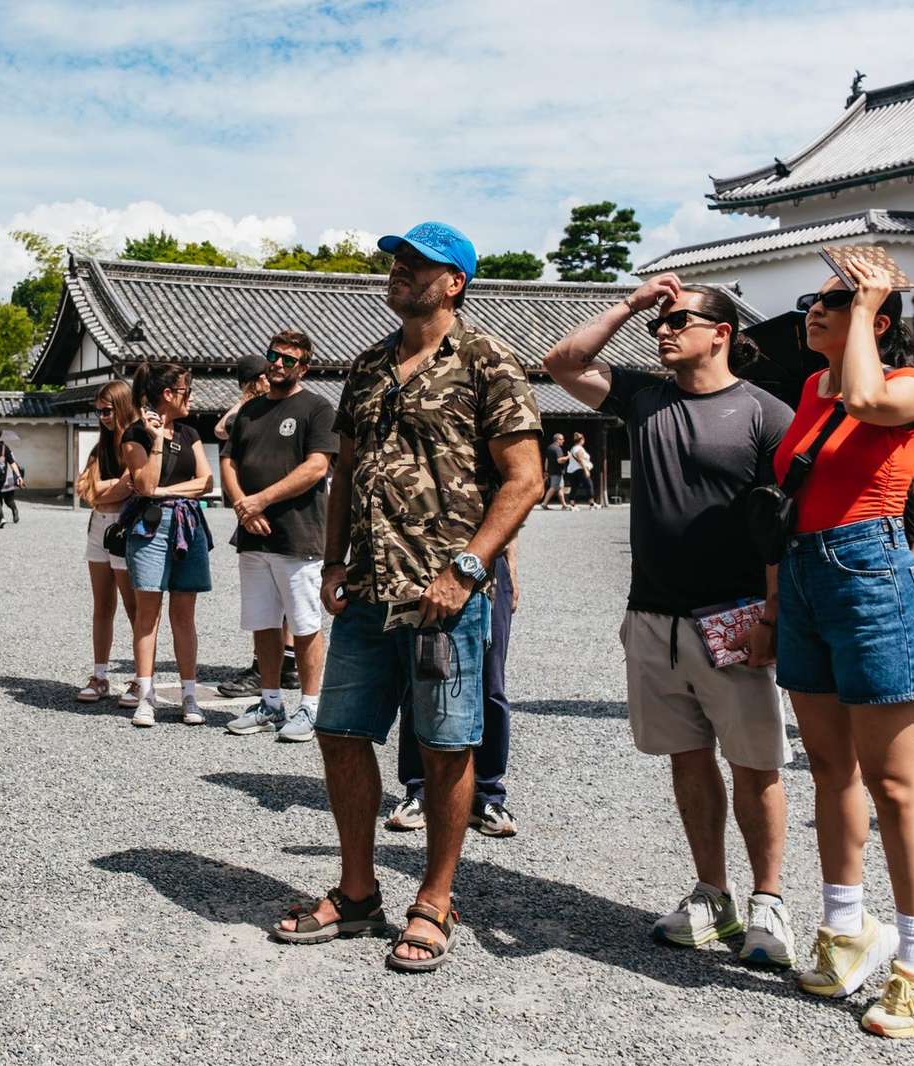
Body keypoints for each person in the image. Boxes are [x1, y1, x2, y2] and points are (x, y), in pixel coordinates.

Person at [271, 222, 542, 972]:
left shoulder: (488, 360)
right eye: (398, 261)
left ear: (455, 282)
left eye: (420, 264)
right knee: (340, 733)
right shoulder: (367, 367)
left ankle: (435, 899)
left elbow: (525, 479)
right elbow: (345, 470)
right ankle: (358, 893)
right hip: (366, 590)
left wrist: (467, 569)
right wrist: (333, 560)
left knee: (446, 746)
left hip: (442, 595)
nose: (401, 271)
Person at [542, 272, 798, 967]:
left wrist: (773, 614)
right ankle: (712, 893)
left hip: (734, 612)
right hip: (653, 610)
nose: (663, 330)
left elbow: (781, 524)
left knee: (755, 763)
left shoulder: (765, 413)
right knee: (687, 755)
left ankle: (770, 899)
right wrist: (630, 303)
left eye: (679, 320)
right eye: (659, 322)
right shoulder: (644, 396)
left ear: (722, 334)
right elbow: (562, 363)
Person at [776, 263, 914, 1039]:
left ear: (876, 321)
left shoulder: (910, 384)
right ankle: (847, 929)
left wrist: (873, 297)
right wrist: (772, 602)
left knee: (893, 781)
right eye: (813, 301)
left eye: (836, 302)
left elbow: (870, 402)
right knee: (827, 767)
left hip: (870, 573)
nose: (816, 310)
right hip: (805, 575)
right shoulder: (811, 391)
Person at [219, 330, 339, 743]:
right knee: (263, 622)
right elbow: (228, 462)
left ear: (303, 367)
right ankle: (270, 702)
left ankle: (310, 706)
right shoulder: (250, 411)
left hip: (298, 533)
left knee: (304, 624)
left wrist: (261, 501)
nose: (278, 364)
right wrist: (242, 506)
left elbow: (317, 466)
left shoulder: (317, 408)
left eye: (288, 359)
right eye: (274, 355)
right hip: (253, 535)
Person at [386, 543, 519, 838]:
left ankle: (486, 795)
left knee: (490, 684)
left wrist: (511, 566)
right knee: (424, 674)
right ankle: (420, 790)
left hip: (487, 568)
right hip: (424, 560)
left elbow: (509, 515)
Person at [121, 362, 214, 727]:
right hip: (150, 528)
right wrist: (157, 440)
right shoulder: (135, 434)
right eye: (186, 391)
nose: (191, 398)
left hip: (187, 524)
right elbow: (144, 484)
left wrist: (164, 492)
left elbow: (206, 482)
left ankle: (189, 695)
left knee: (185, 614)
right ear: (168, 394)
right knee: (148, 615)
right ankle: (146, 696)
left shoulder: (190, 432)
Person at [218, 352, 302, 698]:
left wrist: (248, 400)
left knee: (274, 598)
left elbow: (220, 428)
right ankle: (287, 665)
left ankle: (266, 667)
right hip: (265, 511)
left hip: (269, 511)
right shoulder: (261, 410)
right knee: (284, 597)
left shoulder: (270, 411)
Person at [76, 381, 140, 705]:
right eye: (98, 411)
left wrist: (103, 488)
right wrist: (109, 488)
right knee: (102, 606)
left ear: (123, 407)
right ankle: (100, 675)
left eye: (107, 410)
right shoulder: (99, 447)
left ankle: (142, 678)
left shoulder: (135, 443)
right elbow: (85, 490)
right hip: (98, 527)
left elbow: (131, 486)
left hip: (125, 527)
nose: (102, 417)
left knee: (134, 608)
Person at [566, 433, 603, 508]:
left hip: (572, 470)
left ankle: (572, 504)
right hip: (580, 469)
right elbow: (580, 459)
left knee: (574, 487)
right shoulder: (579, 448)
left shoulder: (573, 448)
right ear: (582, 440)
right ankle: (591, 503)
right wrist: (586, 470)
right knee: (589, 485)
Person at [539, 432, 568, 509]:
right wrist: (568, 457)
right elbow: (559, 460)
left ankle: (564, 505)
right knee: (553, 487)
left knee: (560, 488)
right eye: (562, 439)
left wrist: (546, 470)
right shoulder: (557, 449)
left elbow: (547, 460)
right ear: (557, 440)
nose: (563, 441)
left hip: (551, 471)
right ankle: (544, 503)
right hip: (557, 472)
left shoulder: (549, 448)